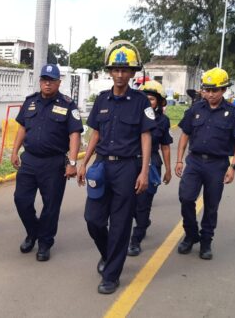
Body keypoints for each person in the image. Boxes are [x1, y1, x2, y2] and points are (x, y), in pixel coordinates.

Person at [77, 41, 156, 294]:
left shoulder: (141, 102)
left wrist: (144, 171)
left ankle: (111, 275)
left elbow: (146, 137)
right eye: (116, 69)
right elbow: (95, 133)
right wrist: (83, 161)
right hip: (101, 167)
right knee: (93, 220)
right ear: (109, 72)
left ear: (133, 73)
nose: (120, 74)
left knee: (121, 224)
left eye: (125, 70)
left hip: (127, 168)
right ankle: (109, 254)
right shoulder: (101, 99)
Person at [11, 64, 83, 262]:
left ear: (59, 82)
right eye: (44, 80)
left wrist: (72, 162)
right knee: (21, 200)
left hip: (53, 163)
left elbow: (74, 135)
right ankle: (33, 231)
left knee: (51, 206)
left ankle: (44, 243)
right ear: (40, 81)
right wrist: (15, 151)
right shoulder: (30, 102)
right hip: (30, 160)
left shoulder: (68, 104)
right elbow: (22, 128)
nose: (47, 83)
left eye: (51, 80)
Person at [175, 68, 235, 260]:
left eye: (214, 90)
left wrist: (233, 167)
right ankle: (191, 234)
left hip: (217, 165)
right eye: (206, 90)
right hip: (195, 161)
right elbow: (185, 134)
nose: (209, 94)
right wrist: (179, 159)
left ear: (224, 90)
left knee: (211, 205)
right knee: (186, 197)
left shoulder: (232, 113)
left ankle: (206, 241)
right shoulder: (196, 109)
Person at [127, 81, 173, 257]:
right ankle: (142, 223)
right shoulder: (132, 116)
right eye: (145, 98)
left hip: (152, 164)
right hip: (129, 162)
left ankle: (135, 240)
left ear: (160, 102)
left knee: (143, 203)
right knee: (128, 203)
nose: (148, 102)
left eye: (152, 99)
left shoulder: (163, 121)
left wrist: (168, 169)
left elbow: (166, 146)